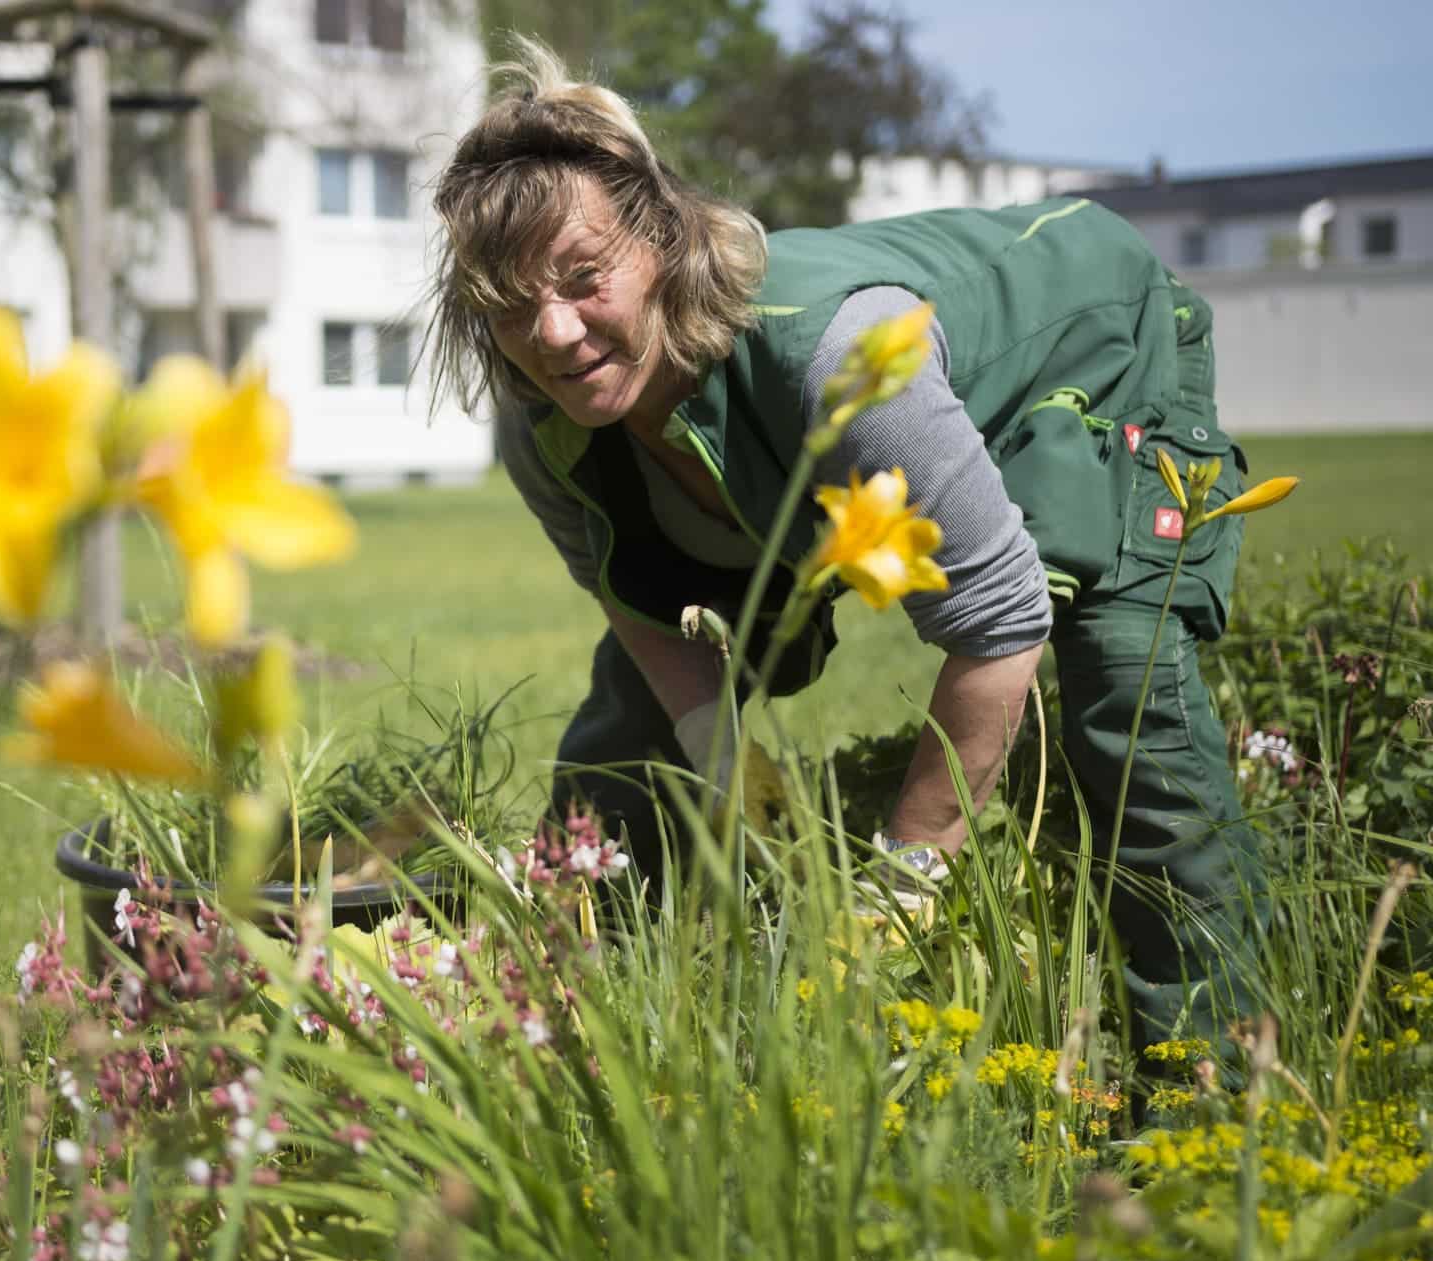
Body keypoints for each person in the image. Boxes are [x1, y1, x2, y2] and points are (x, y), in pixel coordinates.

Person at [422, 42, 1268, 1051]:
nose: (553, 333)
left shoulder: (829, 357)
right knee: (635, 721)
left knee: (1121, 692)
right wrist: (733, 781)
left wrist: (899, 892)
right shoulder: (545, 426)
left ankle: (1213, 1091)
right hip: (819, 456)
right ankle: (578, 1011)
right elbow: (645, 612)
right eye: (512, 306)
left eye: (582, 278)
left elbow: (999, 621)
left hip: (1097, 345)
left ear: (656, 238)